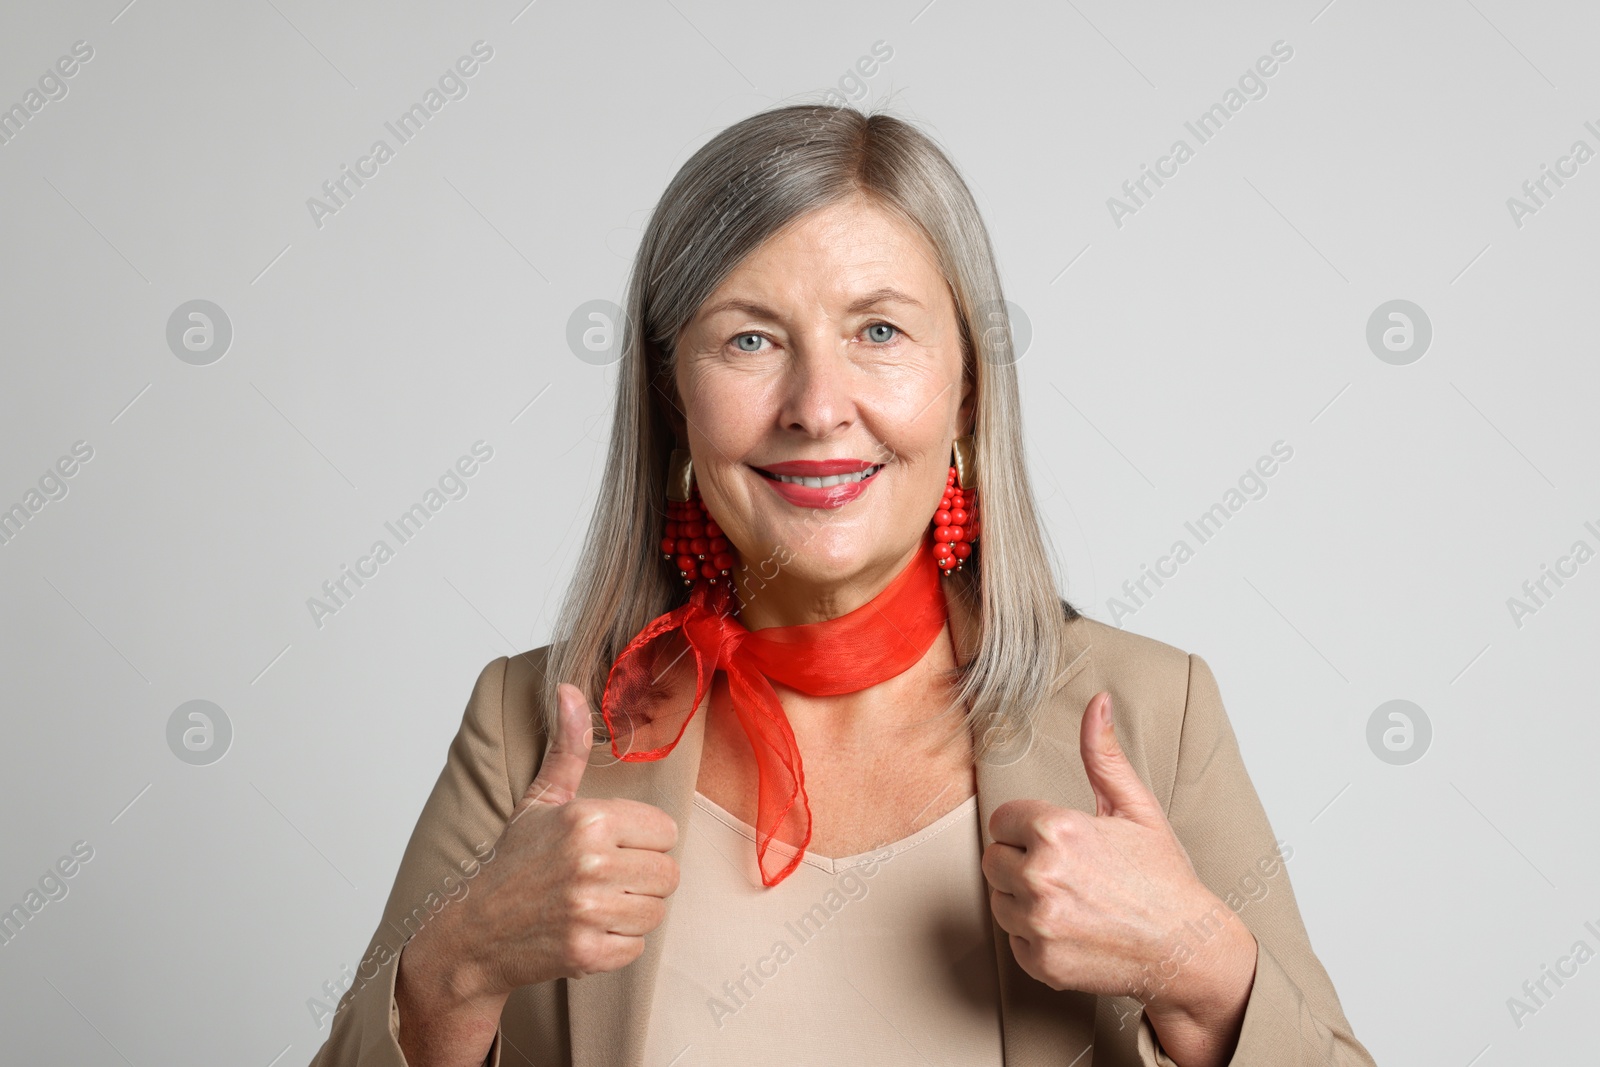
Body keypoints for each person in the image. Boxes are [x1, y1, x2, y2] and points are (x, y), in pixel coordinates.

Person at [307, 104, 1377, 1067]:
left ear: (964, 390)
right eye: (750, 337)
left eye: (878, 330)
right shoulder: (528, 725)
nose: (818, 405)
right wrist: (451, 971)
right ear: (674, 400)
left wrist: (1201, 969)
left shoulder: (1156, 712)